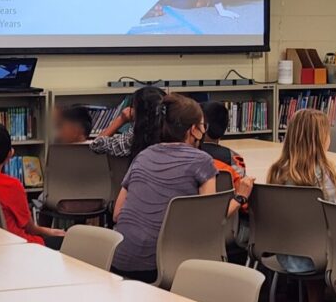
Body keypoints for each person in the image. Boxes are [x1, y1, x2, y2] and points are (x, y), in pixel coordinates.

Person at [112, 93, 253, 282]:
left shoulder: (143, 155)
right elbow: (208, 220)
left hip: (118, 261)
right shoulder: (201, 161)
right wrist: (240, 198)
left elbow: (117, 213)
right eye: (203, 126)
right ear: (193, 130)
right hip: (163, 265)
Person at [267, 108, 336, 302]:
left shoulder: (277, 172)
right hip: (322, 257)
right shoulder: (335, 172)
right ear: (322, 139)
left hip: (285, 253)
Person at [0, 123, 65, 248]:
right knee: (69, 241)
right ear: (10, 154)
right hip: (18, 245)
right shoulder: (11, 186)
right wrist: (50, 232)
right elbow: (30, 228)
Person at [90, 86, 165, 158]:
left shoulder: (133, 139)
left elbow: (97, 145)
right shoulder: (172, 132)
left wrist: (121, 119)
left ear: (138, 112)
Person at [199, 101, 248, 183]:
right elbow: (241, 184)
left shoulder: (188, 155)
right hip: (227, 196)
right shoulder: (235, 158)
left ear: (203, 126)